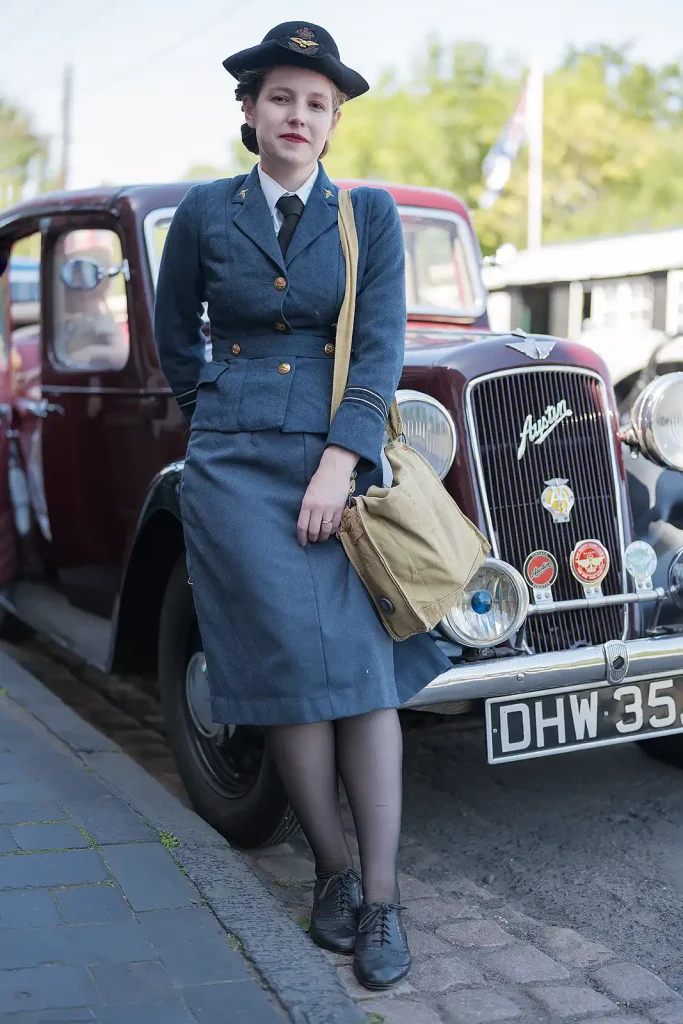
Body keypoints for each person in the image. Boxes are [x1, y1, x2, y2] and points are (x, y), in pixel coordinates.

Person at [154, 22, 451, 991]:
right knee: (285, 671)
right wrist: (219, 426)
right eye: (280, 97)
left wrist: (339, 459)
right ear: (248, 109)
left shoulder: (366, 216)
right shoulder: (203, 213)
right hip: (235, 472)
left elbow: (376, 350)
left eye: (315, 102)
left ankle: (379, 896)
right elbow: (173, 341)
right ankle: (326, 867)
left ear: (332, 121)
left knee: (360, 674)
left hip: (338, 467)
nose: (297, 115)